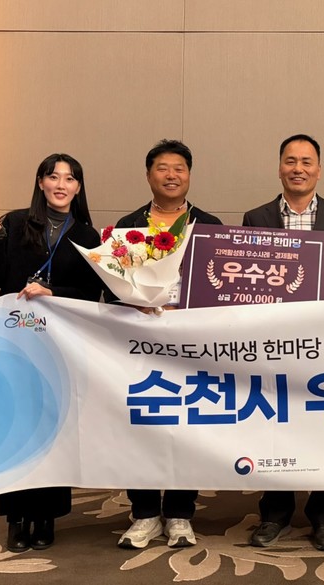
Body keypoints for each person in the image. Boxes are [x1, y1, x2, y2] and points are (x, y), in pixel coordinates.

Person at [243, 134, 324, 551]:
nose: (298, 168)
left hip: (323, 340)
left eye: (307, 161)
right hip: (274, 341)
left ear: (319, 169)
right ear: (279, 168)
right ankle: (275, 513)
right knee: (275, 423)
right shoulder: (256, 217)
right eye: (291, 161)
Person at [0, 153, 102, 552]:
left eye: (69, 178)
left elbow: (92, 295)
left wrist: (52, 292)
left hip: (58, 346)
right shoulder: (15, 223)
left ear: (78, 187)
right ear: (41, 182)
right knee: (15, 431)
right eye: (53, 176)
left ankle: (46, 517)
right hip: (12, 343)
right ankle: (16, 519)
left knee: (52, 431)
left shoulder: (88, 236)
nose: (61, 184)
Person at [114, 139, 222, 549]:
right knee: (140, 425)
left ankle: (180, 513)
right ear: (148, 175)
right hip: (140, 343)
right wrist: (134, 303)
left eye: (179, 168)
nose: (171, 175)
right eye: (162, 168)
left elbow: (222, 289)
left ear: (189, 175)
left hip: (191, 346)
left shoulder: (209, 225)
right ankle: (143, 513)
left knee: (188, 426)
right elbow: (109, 288)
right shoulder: (127, 226)